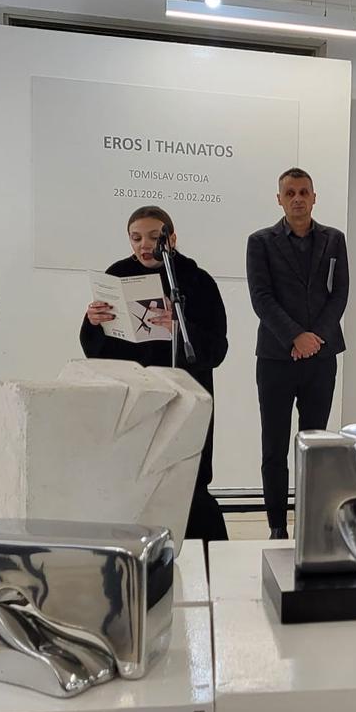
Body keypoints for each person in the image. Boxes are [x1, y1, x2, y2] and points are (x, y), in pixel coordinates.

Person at [81, 206, 230, 541]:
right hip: (136, 396)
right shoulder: (118, 275)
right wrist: (93, 322)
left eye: (152, 237)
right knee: (135, 479)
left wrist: (179, 326)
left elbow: (217, 349)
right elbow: (95, 349)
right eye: (136, 238)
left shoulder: (197, 280)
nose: (144, 245)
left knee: (190, 481)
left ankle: (202, 556)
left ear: (171, 239)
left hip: (186, 395)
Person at [246, 168, 349, 539]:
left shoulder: (334, 239)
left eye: (304, 192)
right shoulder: (260, 242)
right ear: (279, 199)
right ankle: (277, 525)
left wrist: (315, 338)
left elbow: (340, 294)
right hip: (276, 357)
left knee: (314, 446)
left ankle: (310, 521)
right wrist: (295, 336)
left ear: (314, 196)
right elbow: (261, 297)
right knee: (274, 446)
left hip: (321, 357)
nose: (297, 199)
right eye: (290, 193)